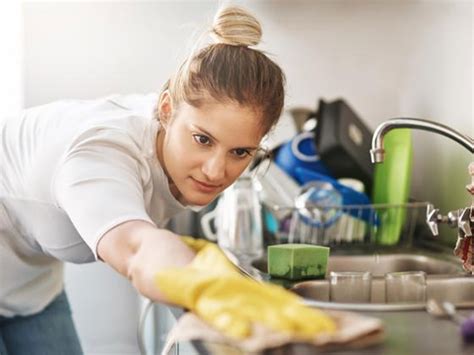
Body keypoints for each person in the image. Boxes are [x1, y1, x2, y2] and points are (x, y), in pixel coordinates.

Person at [0, 5, 288, 354]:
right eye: (203, 140)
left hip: (29, 285)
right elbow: (136, 247)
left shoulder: (180, 112)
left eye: (240, 152)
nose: (216, 171)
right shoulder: (100, 155)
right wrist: (206, 286)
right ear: (166, 109)